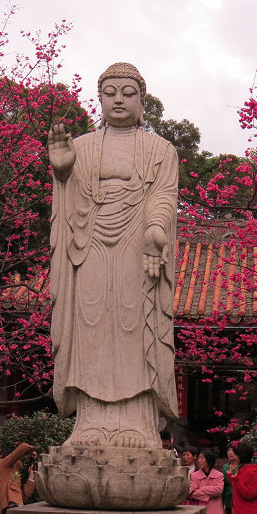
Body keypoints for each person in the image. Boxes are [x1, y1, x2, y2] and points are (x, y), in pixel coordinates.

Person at [47, 62, 179, 449]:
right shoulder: (82, 146)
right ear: (100, 98)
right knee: (90, 322)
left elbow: (163, 197)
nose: (118, 99)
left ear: (143, 101)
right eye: (110, 92)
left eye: (128, 92)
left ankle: (137, 422)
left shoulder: (160, 149)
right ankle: (89, 422)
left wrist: (156, 230)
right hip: (88, 245)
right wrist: (63, 174)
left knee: (132, 322)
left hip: (136, 247)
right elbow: (68, 203)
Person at [0, 443, 37, 514]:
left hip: (16, 510)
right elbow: (23, 447)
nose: (22, 462)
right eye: (20, 459)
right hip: (8, 509)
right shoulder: (2, 464)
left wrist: (31, 478)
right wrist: (31, 450)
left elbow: (22, 497)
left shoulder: (14, 474)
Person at [221, 442, 241, 514]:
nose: (230, 453)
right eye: (228, 450)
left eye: (232, 450)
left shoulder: (242, 467)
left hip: (241, 503)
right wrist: (222, 503)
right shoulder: (225, 467)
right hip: (229, 503)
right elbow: (223, 487)